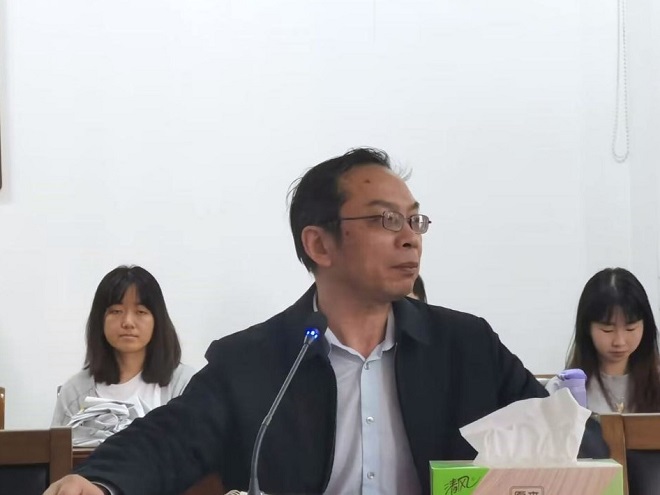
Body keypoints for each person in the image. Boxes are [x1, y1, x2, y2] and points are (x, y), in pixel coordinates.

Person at [44, 148, 607, 495]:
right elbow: (170, 438)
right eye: (386, 221)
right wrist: (99, 482)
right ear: (319, 244)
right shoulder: (255, 361)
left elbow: (571, 438)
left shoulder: (465, 346)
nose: (410, 238)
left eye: (415, 221)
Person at [52, 265, 195, 441]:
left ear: (157, 320)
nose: (128, 322)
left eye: (140, 311)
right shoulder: (74, 391)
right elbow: (58, 454)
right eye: (116, 311)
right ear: (100, 320)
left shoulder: (185, 384)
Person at [546, 267, 660, 414]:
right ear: (587, 328)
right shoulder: (563, 389)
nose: (619, 341)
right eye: (607, 330)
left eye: (630, 328)